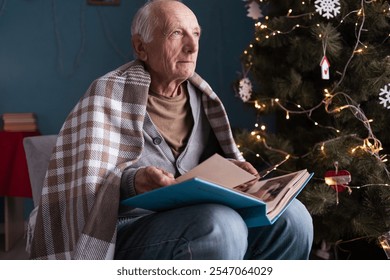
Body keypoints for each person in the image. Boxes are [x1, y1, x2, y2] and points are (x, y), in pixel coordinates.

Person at [29, 0, 313, 260]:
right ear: (141, 47)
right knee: (220, 225)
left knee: (294, 218)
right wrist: (134, 181)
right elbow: (84, 188)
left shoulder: (203, 98)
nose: (192, 46)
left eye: (196, 34)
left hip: (198, 217)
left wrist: (234, 172)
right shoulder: (107, 94)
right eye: (176, 34)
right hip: (124, 231)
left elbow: (208, 169)